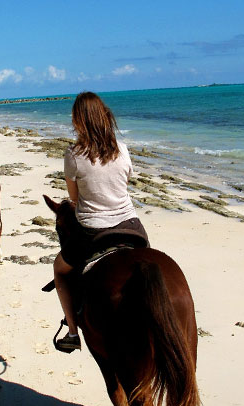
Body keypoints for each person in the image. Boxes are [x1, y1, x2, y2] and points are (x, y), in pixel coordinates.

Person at [53, 92, 149, 353]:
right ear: (104, 116)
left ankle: (72, 332)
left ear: (78, 121)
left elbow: (74, 198)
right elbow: (125, 182)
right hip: (130, 224)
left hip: (92, 229)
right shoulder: (122, 149)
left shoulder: (73, 154)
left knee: (60, 270)